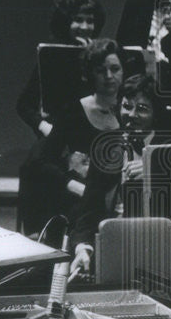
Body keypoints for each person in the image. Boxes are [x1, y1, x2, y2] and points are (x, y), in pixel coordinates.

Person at [67, 74, 171, 280]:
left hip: (156, 245)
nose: (131, 115)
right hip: (113, 240)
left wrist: (153, 169)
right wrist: (82, 248)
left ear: (156, 114)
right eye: (126, 106)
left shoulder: (169, 150)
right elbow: (88, 211)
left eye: (141, 109)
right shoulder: (106, 146)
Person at [18, 39, 123, 235]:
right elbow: (41, 161)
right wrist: (74, 186)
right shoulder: (74, 112)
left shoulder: (132, 111)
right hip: (80, 198)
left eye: (115, 69)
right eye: (101, 70)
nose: (109, 76)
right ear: (91, 74)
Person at [16, 0, 105, 138]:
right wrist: (45, 127)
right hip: (58, 134)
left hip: (93, 133)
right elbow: (24, 105)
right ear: (65, 22)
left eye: (90, 21)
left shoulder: (103, 58)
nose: (84, 27)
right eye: (78, 20)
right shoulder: (52, 57)